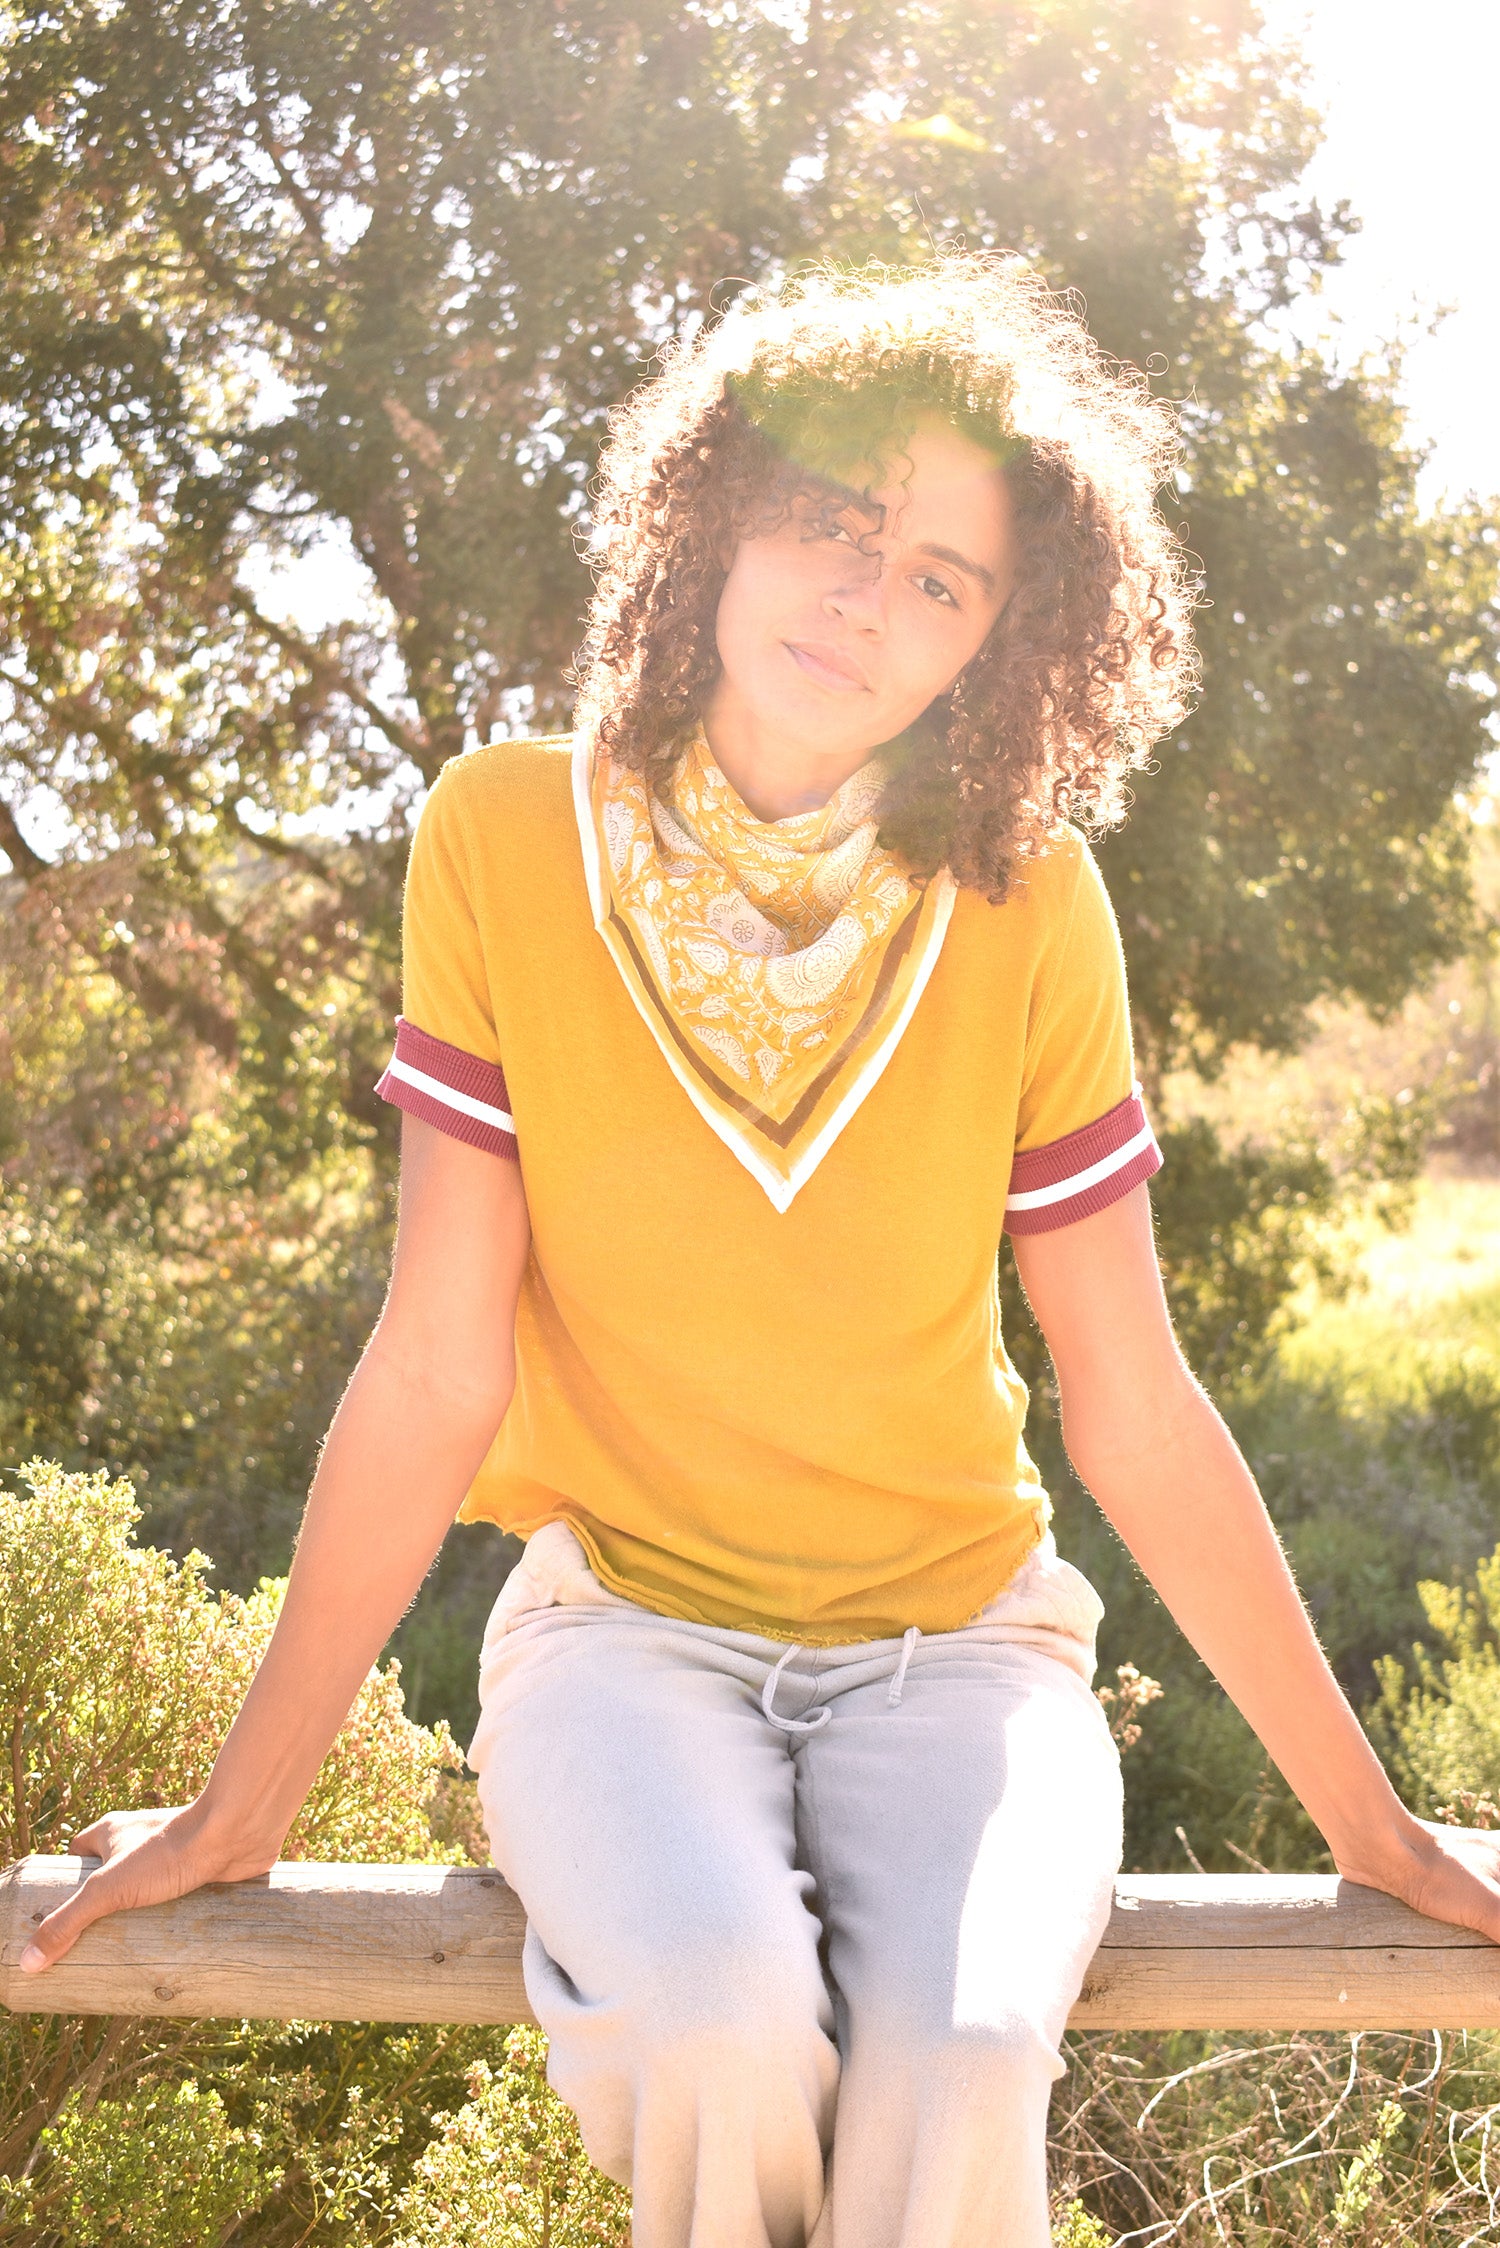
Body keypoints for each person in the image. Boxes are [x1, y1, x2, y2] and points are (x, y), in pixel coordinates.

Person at [22, 256, 1500, 2248]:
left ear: (995, 641)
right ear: (718, 509)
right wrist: (241, 1804)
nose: (864, 599)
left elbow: (1130, 1397)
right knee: (716, 2023)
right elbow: (441, 1359)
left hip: (968, 1651)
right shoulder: (501, 834)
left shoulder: (1029, 897)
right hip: (625, 1637)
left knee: (970, 2044)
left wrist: (1371, 1823)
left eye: (941, 580)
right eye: (830, 521)